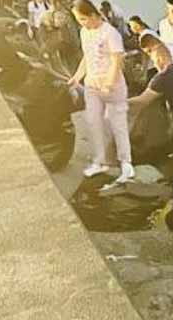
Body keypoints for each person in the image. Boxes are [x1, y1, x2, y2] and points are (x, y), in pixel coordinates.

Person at [68, 0, 134, 183]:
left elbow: (117, 60)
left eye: (83, 19)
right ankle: (100, 161)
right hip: (92, 85)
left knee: (117, 124)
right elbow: (87, 57)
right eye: (78, 20)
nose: (82, 23)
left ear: (93, 15)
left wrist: (109, 83)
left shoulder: (110, 33)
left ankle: (126, 163)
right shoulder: (84, 32)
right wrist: (77, 76)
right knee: (94, 122)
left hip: (113, 86)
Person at [128, 41, 173, 175]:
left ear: (160, 58)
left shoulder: (163, 77)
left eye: (153, 59)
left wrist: (117, 102)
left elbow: (141, 101)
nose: (154, 63)